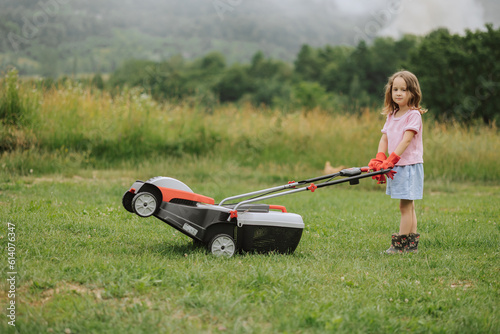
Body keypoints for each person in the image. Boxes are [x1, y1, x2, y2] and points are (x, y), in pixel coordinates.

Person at [368, 70, 427, 254]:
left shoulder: (413, 115)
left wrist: (392, 159)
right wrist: (380, 157)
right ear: (390, 92)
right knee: (409, 205)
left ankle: (400, 245)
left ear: (413, 92)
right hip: (397, 166)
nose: (399, 93)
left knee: (405, 206)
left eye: (404, 89)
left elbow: (407, 140)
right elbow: (384, 138)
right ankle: (411, 245)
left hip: (408, 165)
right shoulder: (392, 114)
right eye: (395, 89)